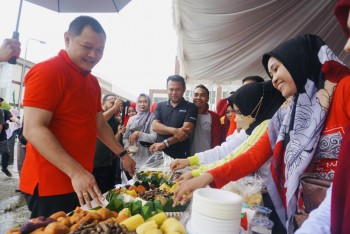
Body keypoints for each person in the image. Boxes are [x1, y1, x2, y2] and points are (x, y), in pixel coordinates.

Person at [173, 34, 348, 233]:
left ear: (298, 60)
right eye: (270, 73)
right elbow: (253, 155)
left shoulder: (344, 89)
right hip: (304, 213)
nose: (273, 79)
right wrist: (205, 177)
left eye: (276, 69)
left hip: (339, 211)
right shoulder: (288, 112)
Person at [19, 16, 136, 218]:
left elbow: (98, 124)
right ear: (67, 39)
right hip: (51, 183)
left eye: (99, 50)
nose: (93, 55)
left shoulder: (91, 82)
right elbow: (33, 129)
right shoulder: (48, 71)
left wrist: (122, 154)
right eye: (87, 46)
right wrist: (76, 171)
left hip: (82, 181)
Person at [295, 1, 350, 233]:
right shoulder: (302, 110)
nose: (346, 47)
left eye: (279, 68)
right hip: (313, 211)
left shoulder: (345, 89)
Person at [171, 81, 285, 181]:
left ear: (256, 108)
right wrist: (190, 161)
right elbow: (225, 150)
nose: (236, 118)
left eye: (239, 112)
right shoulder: (251, 129)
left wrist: (198, 173)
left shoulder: (268, 127)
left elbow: (237, 158)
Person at [149, 75, 197, 159]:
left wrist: (165, 143)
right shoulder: (160, 106)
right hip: (160, 155)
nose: (174, 93)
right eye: (171, 89)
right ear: (167, 89)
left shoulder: (190, 107)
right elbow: (155, 126)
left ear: (184, 89)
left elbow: (185, 132)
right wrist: (175, 131)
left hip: (181, 156)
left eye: (177, 89)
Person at [93, 94, 123, 194]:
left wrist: (119, 132)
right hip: (91, 163)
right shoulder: (97, 114)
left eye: (116, 103)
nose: (114, 105)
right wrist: (115, 108)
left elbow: (113, 141)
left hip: (106, 163)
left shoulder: (115, 121)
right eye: (112, 102)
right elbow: (99, 122)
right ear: (103, 103)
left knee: (104, 193)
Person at [123, 93, 157, 167]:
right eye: (140, 102)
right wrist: (127, 147)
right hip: (132, 158)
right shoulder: (132, 119)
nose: (142, 104)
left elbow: (154, 137)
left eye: (145, 101)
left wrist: (139, 134)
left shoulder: (153, 118)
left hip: (147, 159)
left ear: (149, 103)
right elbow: (125, 137)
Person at [189, 84, 221, 155]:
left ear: (208, 98)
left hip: (206, 158)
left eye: (202, 95)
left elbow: (216, 140)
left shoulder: (214, 117)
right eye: (196, 94)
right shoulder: (186, 114)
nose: (198, 98)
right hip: (186, 158)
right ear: (192, 96)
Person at [0, 106, 20, 177]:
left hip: (2, 137)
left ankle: (4, 168)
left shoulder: (3, 111)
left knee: (6, 153)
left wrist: (16, 120)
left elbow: (11, 117)